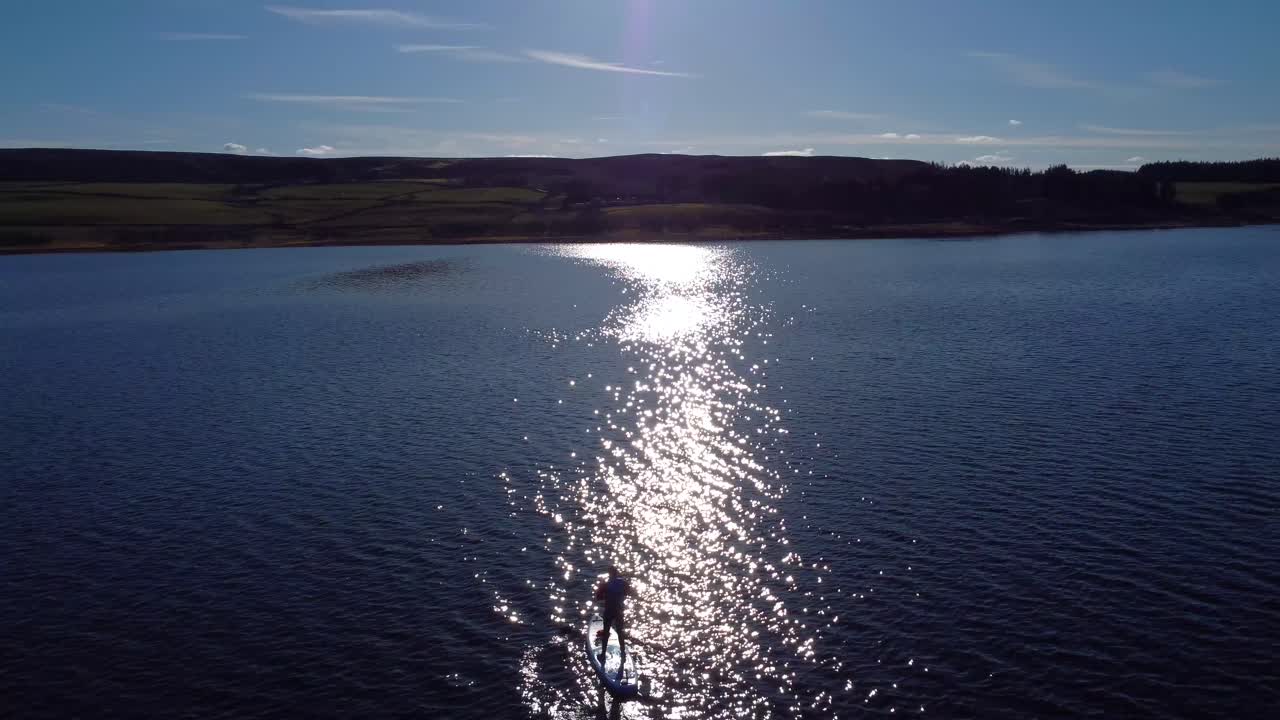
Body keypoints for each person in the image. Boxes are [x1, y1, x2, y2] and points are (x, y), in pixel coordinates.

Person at [594, 565, 629, 673]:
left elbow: (598, 597)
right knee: (620, 632)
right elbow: (628, 592)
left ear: (609, 574)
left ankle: (603, 655)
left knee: (606, 632)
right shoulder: (623, 583)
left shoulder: (606, 585)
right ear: (617, 573)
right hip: (619, 611)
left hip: (609, 611)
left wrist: (605, 594)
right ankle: (623, 654)